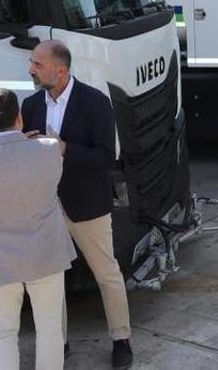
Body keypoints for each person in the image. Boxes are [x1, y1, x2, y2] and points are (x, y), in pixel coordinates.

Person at [21, 41, 134, 369]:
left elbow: (106, 157)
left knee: (107, 274)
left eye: (38, 65)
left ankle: (121, 339)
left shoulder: (95, 102)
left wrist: (64, 148)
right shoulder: (30, 105)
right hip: (46, 207)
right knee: (52, 278)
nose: (31, 69)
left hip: (88, 205)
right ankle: (59, 341)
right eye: (32, 63)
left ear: (61, 70)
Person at [0, 89, 75, 370]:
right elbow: (56, 174)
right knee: (49, 329)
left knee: (4, 331)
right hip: (46, 253)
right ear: (20, 118)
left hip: (1, 260)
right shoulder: (49, 150)